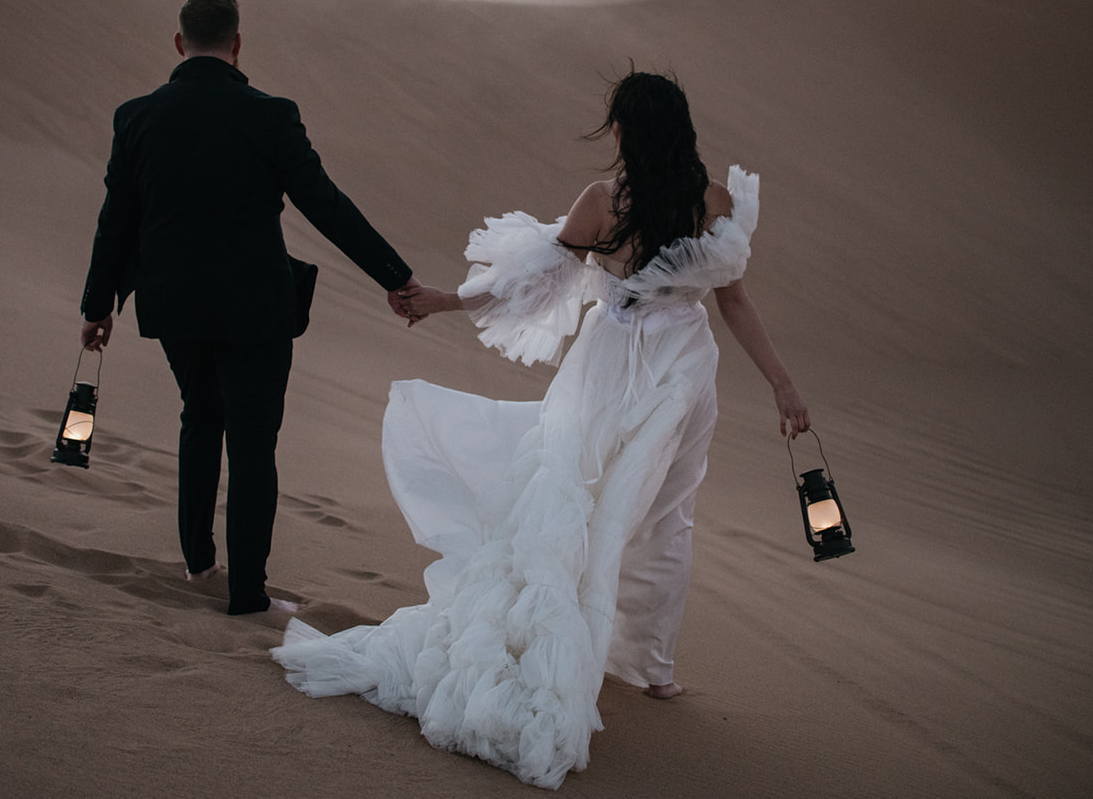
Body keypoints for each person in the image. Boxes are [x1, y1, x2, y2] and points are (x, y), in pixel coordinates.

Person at [271, 70, 810, 788]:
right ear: (680, 128)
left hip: (610, 363)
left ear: (624, 131)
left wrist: (439, 301)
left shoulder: (602, 204)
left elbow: (528, 283)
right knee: (660, 516)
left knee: (582, 502)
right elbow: (735, 302)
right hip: (680, 368)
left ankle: (615, 655)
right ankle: (649, 670)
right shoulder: (711, 203)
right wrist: (782, 384)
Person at [78, 0, 418, 616]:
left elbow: (114, 222)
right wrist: (394, 277)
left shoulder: (137, 117)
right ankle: (247, 595)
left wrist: (97, 307)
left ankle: (198, 563)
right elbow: (325, 204)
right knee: (253, 443)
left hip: (174, 306)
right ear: (237, 45)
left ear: (180, 44)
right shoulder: (271, 114)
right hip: (256, 310)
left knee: (199, 419)